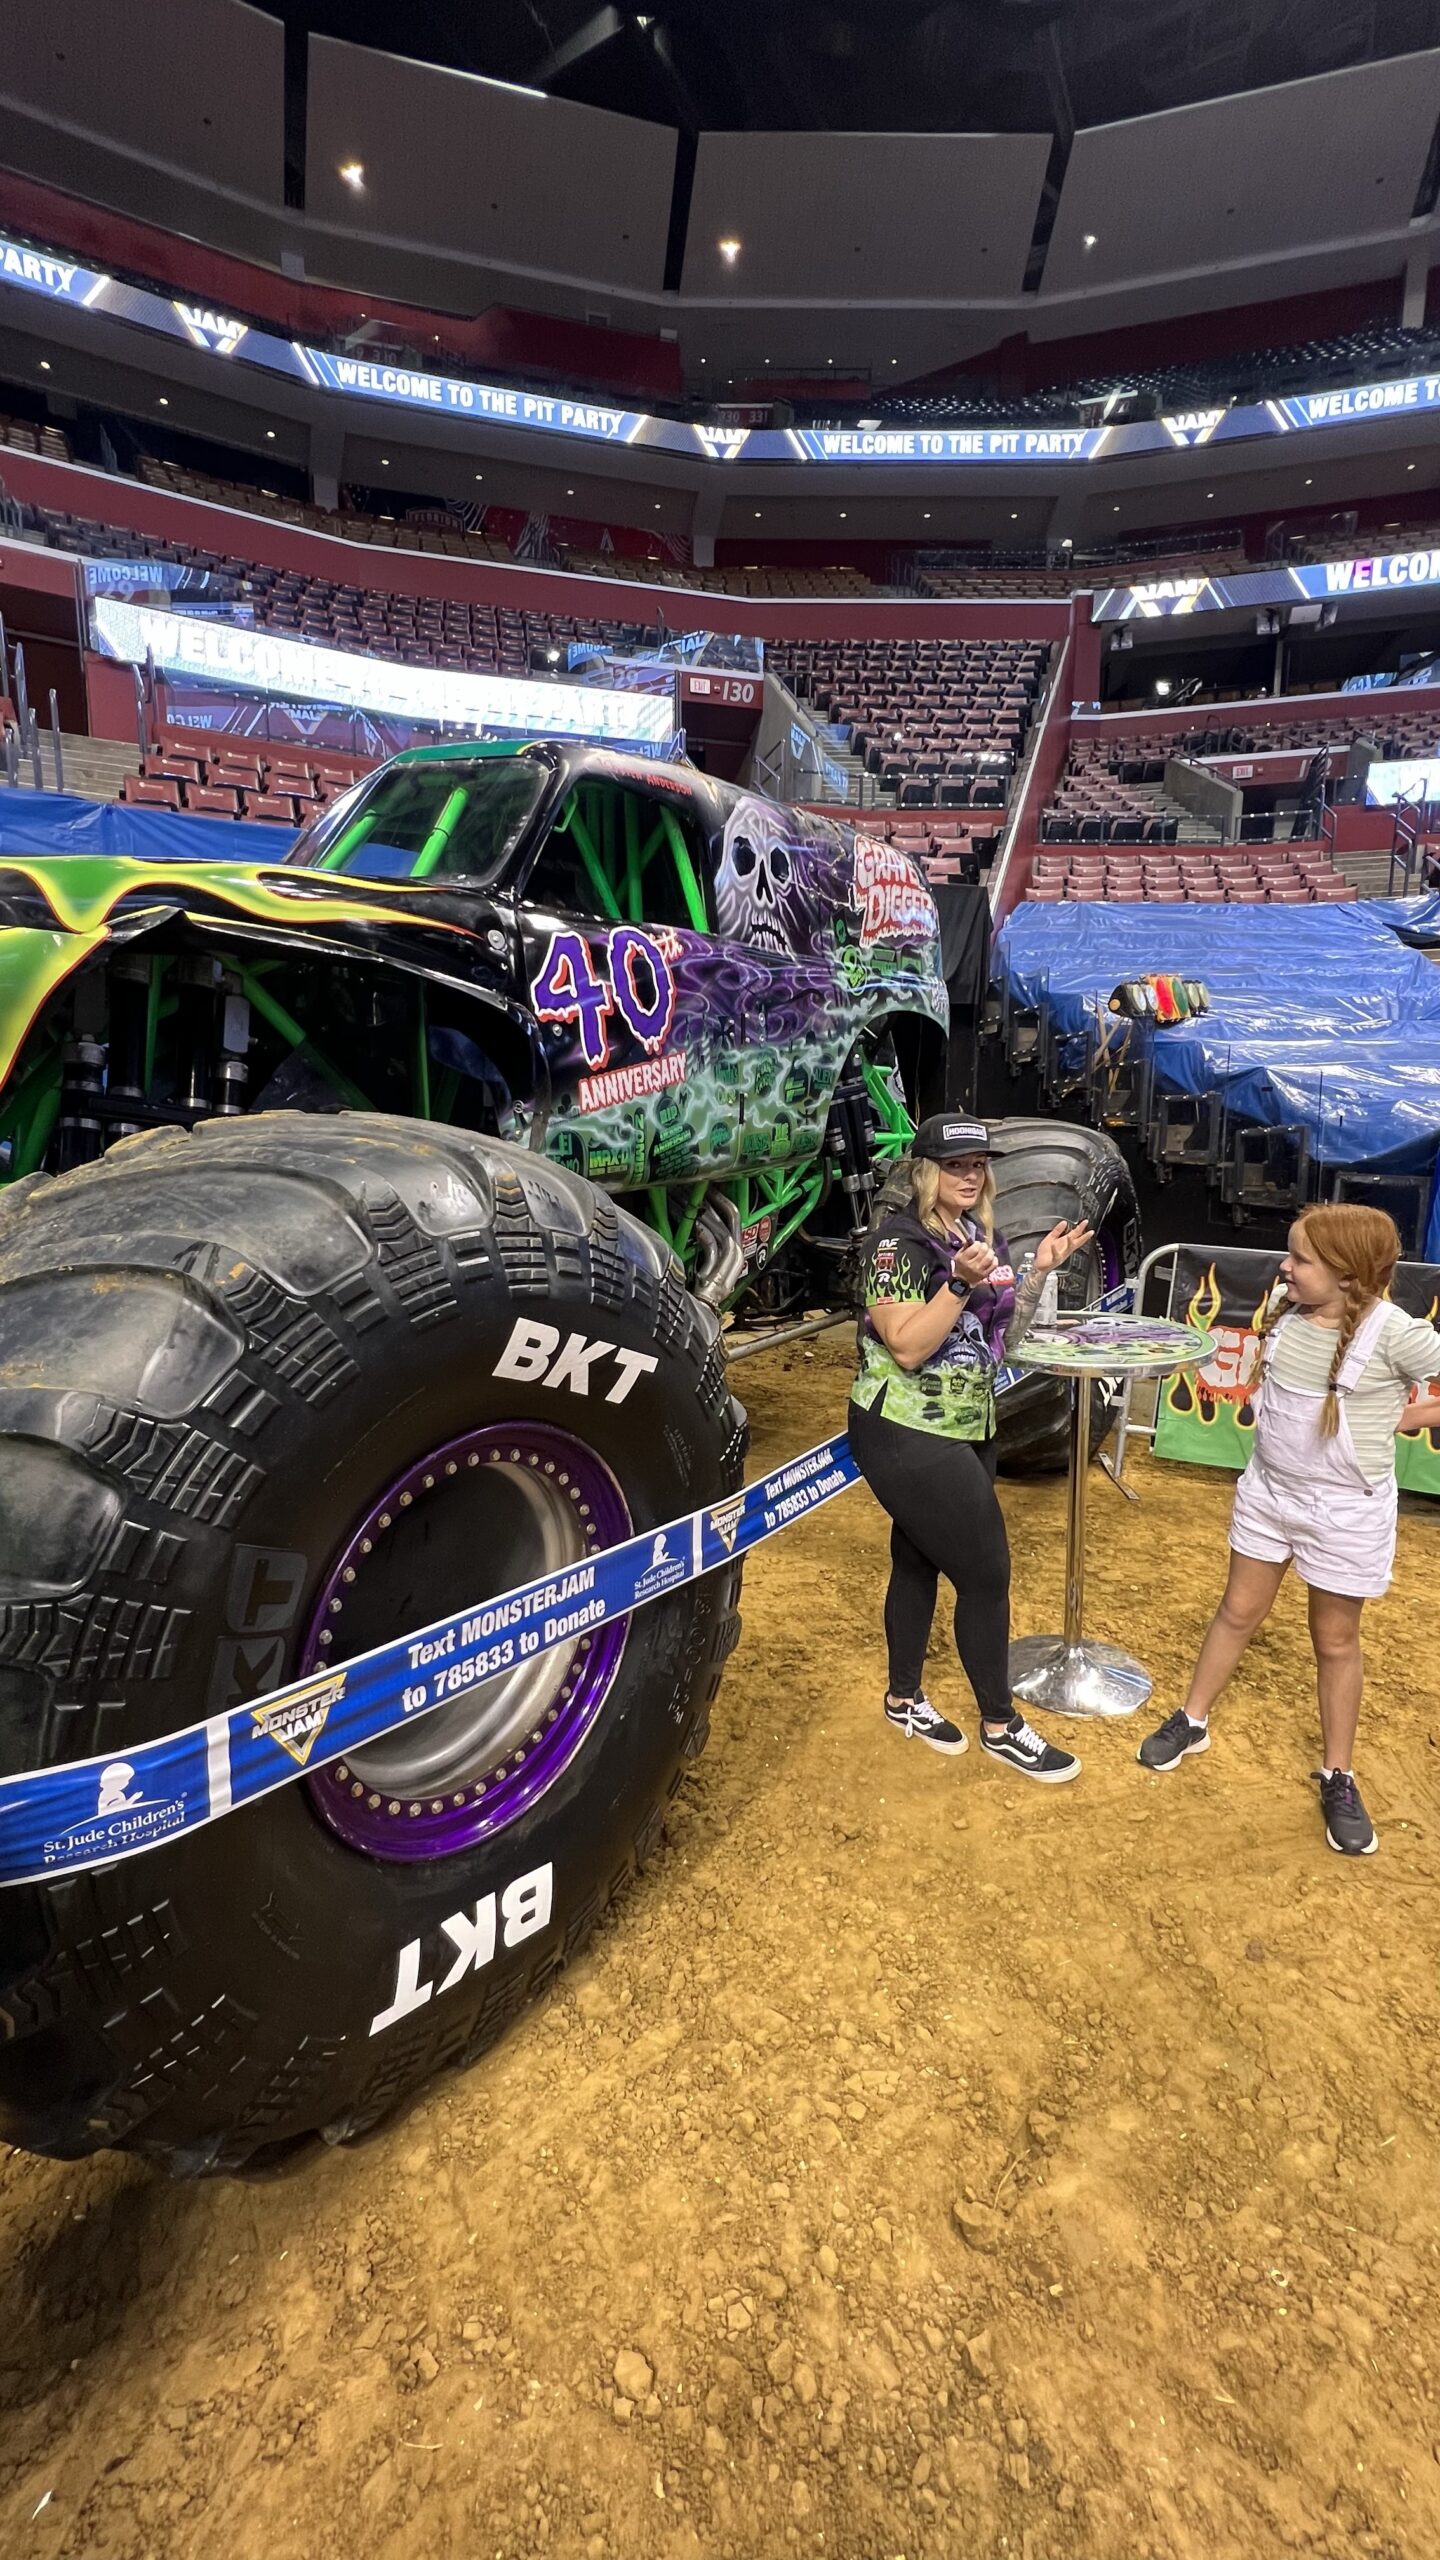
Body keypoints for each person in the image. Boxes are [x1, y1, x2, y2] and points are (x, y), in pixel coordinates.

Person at [1137, 1204, 1440, 1856]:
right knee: (1237, 1610)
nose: (1284, 1267)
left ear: (1350, 1275)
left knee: (1335, 1640)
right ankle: (1192, 1720)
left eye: (1300, 1259)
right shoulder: (1285, 1310)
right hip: (1269, 1495)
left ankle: (1339, 1773)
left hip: (1344, 1513)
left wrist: (1409, 1412)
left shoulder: (1395, 1334)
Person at [847, 1114, 1095, 1780]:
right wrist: (956, 1282)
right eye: (956, 1165)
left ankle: (904, 1698)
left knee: (918, 1559)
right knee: (987, 1575)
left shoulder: (984, 1236)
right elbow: (905, 1346)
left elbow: (1005, 1343)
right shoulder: (896, 1246)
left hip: (969, 1424)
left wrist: (1038, 1271)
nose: (970, 1175)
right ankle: (1001, 1724)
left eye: (979, 1164)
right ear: (926, 1171)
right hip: (905, 1426)